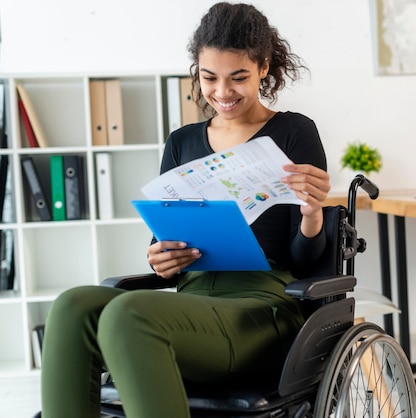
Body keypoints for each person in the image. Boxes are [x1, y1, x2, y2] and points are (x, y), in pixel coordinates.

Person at [40, 3, 330, 417]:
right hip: (191, 300)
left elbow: (306, 262)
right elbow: (165, 239)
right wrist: (161, 258)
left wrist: (312, 213)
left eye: (238, 77)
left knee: (129, 312)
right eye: (209, 77)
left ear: (264, 67)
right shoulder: (182, 142)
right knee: (71, 306)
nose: (222, 92)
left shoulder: (293, 131)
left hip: (262, 307)